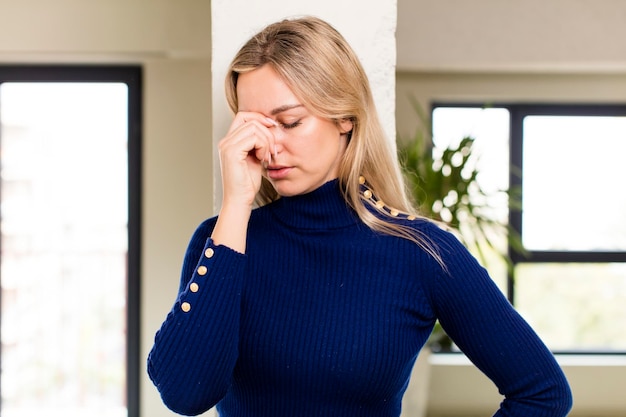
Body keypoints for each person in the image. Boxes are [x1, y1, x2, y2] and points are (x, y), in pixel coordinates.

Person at [147, 16, 573, 417]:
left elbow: (543, 393)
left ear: (345, 118)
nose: (270, 147)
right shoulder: (222, 240)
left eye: (290, 122)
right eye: (254, 126)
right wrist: (236, 205)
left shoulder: (422, 253)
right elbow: (187, 394)